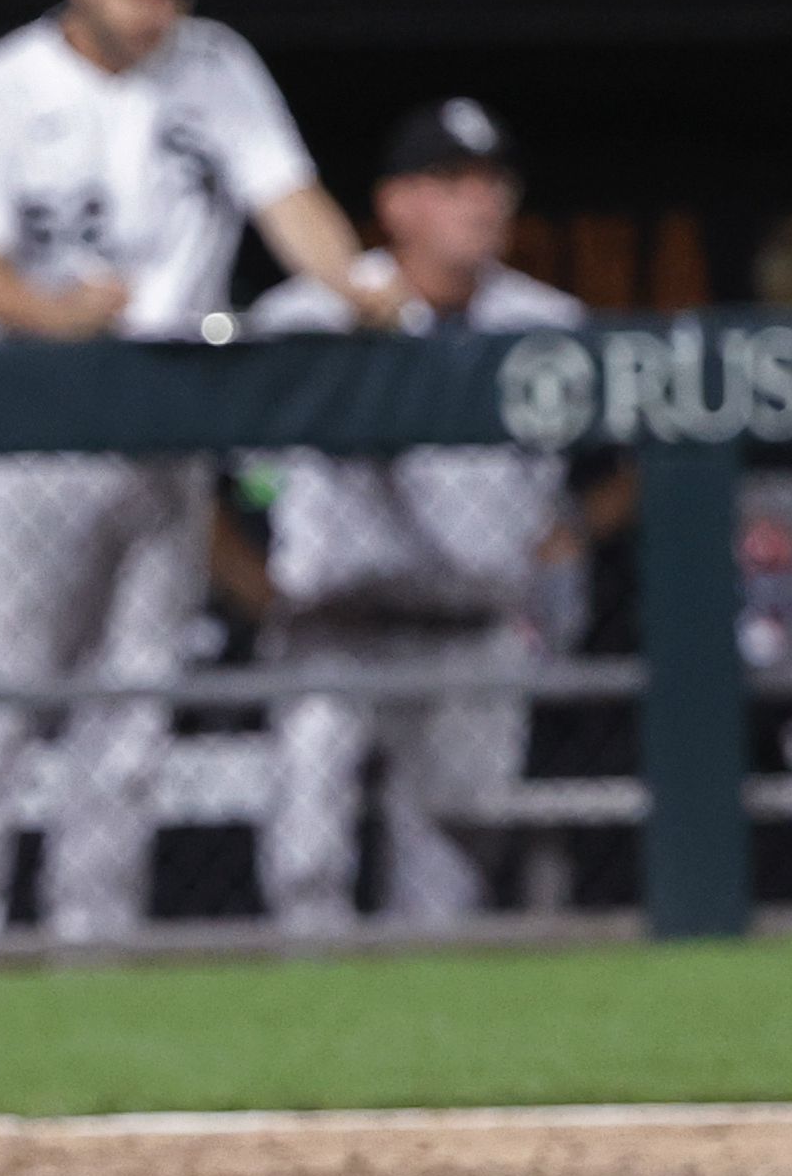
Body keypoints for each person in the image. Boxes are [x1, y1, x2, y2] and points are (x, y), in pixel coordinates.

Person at [0, 0, 400, 953]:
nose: (157, 6)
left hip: (167, 411)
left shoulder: (214, 65)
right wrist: (57, 310)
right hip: (34, 418)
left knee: (132, 704)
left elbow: (285, 197)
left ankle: (94, 944)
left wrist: (351, 281)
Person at [246, 100, 580, 937]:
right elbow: (218, 483)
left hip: (473, 625)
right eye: (451, 182)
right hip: (331, 628)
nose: (480, 201)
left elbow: (625, 467)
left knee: (449, 886)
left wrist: (565, 536)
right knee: (303, 868)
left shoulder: (545, 324)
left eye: (492, 181)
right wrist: (253, 588)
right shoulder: (301, 317)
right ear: (395, 204)